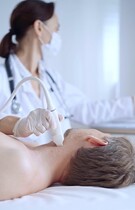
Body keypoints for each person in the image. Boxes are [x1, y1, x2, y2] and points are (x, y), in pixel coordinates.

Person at [0, 0, 135, 145]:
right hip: (23, 166)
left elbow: (86, 110)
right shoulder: (2, 77)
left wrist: (131, 104)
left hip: (57, 163)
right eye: (56, 29)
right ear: (39, 28)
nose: (58, 35)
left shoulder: (51, 79)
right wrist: (19, 125)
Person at [0, 128, 135, 201]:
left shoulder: (18, 162)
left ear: (95, 142)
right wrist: (12, 125)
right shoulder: (31, 154)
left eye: (101, 132)